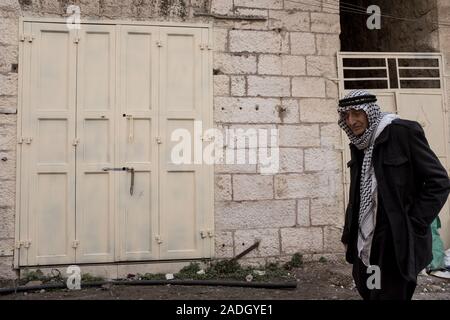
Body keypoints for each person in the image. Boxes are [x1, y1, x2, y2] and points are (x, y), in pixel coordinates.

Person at [338, 89, 450, 300]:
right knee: (370, 289)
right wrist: (348, 232)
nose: (351, 121)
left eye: (357, 113)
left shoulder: (402, 132)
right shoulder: (360, 144)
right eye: (346, 115)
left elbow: (439, 182)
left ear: (369, 112)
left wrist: (414, 222)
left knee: (389, 295)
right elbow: (358, 194)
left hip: (396, 241)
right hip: (368, 243)